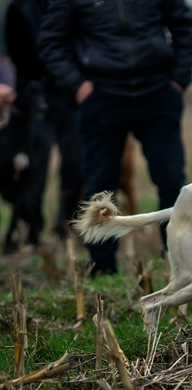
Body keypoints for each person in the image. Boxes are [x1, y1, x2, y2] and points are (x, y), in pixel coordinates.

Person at [38, 0, 192, 275]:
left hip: (158, 93)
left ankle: (179, 259)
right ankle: (103, 266)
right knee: (100, 186)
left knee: (171, 180)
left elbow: (185, 27)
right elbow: (51, 40)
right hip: (102, 96)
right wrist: (78, 84)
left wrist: (179, 79)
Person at [4, 0, 83, 251]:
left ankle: (67, 224)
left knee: (75, 162)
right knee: (35, 166)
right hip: (34, 94)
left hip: (70, 93)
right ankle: (31, 229)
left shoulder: (74, 5)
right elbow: (13, 51)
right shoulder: (19, 7)